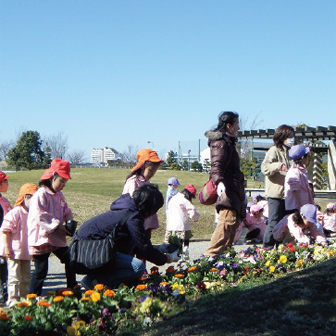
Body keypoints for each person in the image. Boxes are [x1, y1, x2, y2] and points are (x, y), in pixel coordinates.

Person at [79, 184, 179, 289]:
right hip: (87, 251)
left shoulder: (127, 210)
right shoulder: (133, 217)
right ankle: (92, 281)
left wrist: (160, 249)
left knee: (128, 258)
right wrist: (168, 258)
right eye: (154, 210)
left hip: (85, 248)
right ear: (149, 207)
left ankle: (100, 282)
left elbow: (138, 246)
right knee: (137, 267)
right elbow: (144, 247)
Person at [27, 159, 77, 295]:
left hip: (55, 237)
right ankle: (32, 297)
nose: (63, 185)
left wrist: (68, 219)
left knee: (70, 259)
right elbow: (41, 216)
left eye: (65, 182)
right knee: (40, 270)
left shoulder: (59, 195)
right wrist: (58, 226)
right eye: (61, 181)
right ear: (52, 177)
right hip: (41, 237)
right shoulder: (40, 194)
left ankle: (72, 288)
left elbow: (65, 209)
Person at [204, 111, 246, 256]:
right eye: (237, 125)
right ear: (229, 126)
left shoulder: (228, 142)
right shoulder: (220, 143)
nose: (238, 128)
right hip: (227, 189)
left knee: (233, 223)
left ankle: (224, 256)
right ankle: (210, 255)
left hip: (234, 188)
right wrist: (220, 182)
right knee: (227, 221)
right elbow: (216, 165)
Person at [0, 183, 38, 307]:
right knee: (14, 277)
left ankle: (24, 298)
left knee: (26, 277)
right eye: (30, 197)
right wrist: (6, 247)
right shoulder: (15, 213)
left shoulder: (33, 214)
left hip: (26, 251)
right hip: (14, 251)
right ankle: (13, 298)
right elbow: (5, 231)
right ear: (24, 197)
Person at [261, 124, 294, 248]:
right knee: (274, 222)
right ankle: (267, 248)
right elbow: (265, 168)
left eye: (292, 136)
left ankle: (283, 247)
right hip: (275, 194)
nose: (292, 139)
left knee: (287, 223)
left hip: (289, 195)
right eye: (289, 136)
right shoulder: (273, 150)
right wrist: (278, 166)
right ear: (282, 137)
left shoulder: (291, 152)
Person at [122, 148, 163, 240]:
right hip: (135, 221)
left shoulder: (146, 182)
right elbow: (131, 202)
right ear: (142, 166)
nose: (152, 174)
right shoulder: (133, 181)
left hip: (146, 222)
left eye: (154, 172)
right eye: (151, 171)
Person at [165, 184, 200, 260]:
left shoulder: (173, 198)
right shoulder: (184, 199)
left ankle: (176, 254)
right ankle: (185, 251)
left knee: (175, 242)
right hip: (182, 224)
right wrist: (195, 218)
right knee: (186, 239)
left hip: (171, 225)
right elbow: (192, 210)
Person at [284, 144, 314, 213]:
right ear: (303, 157)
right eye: (307, 156)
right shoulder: (294, 171)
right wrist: (301, 206)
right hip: (295, 208)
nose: (308, 159)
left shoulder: (301, 171)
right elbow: (294, 190)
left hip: (302, 206)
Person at [0, 171, 12, 305]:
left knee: (4, 268)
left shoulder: (3, 200)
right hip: (1, 240)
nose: (8, 184)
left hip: (3, 240)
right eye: (5, 181)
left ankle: (4, 293)